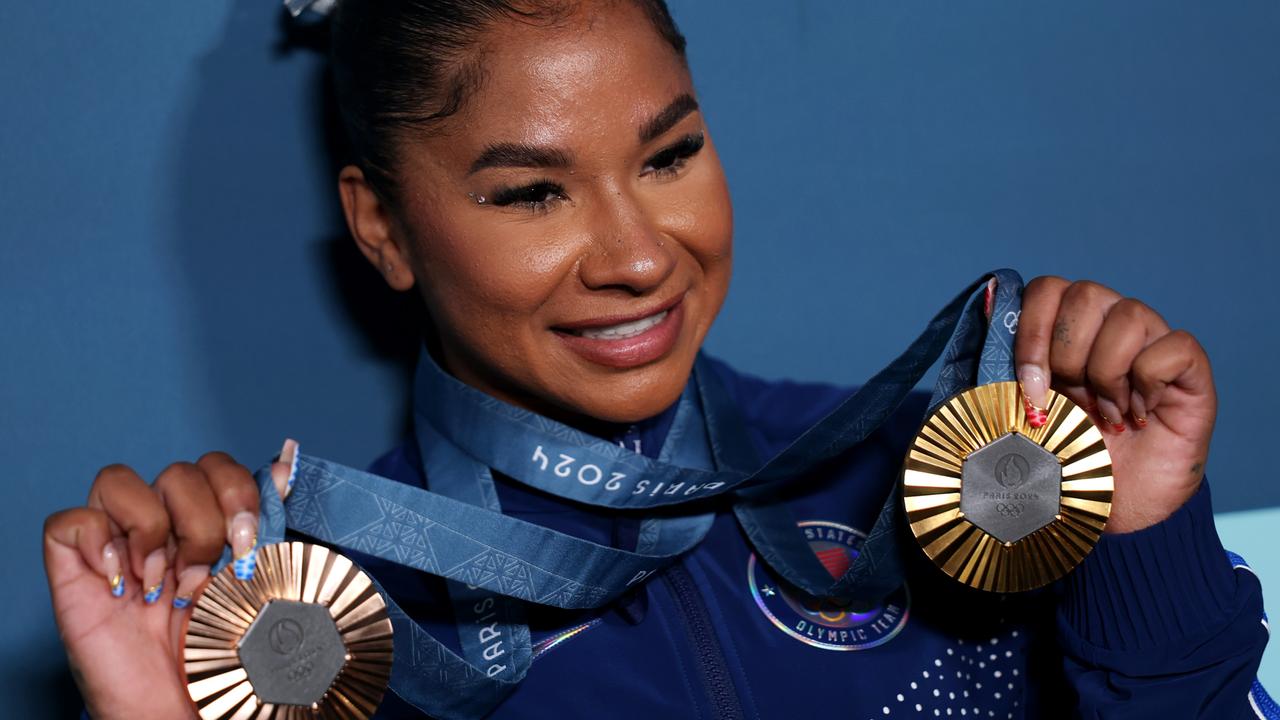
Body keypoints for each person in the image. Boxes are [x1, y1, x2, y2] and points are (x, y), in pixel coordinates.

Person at [42, 1, 1270, 718]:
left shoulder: (957, 470)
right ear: (381, 228)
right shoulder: (312, 631)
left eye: (669, 156)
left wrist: (1137, 543)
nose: (638, 256)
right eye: (531, 193)